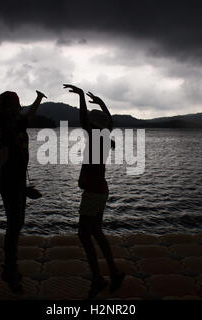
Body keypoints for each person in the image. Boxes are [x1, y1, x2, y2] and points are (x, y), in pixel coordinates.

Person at [0, 89, 47, 292]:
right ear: (5, 107)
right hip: (8, 181)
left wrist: (38, 98)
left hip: (16, 182)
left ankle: (10, 267)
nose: (17, 107)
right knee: (14, 226)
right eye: (12, 104)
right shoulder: (4, 130)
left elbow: (30, 115)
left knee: (17, 224)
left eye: (17, 104)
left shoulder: (18, 123)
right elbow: (5, 154)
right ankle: (10, 271)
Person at [63, 84, 125, 299]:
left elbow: (83, 119)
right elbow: (110, 120)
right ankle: (114, 273)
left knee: (84, 234)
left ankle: (98, 278)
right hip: (101, 190)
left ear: (95, 125)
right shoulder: (105, 136)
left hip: (93, 192)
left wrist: (81, 96)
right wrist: (101, 103)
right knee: (96, 232)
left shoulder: (98, 136)